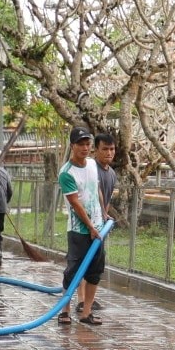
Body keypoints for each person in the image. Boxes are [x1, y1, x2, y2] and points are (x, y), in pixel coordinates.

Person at [57, 128, 106, 325]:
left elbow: (97, 189)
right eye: (81, 144)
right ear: (72, 146)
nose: (85, 148)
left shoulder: (93, 165)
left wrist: (103, 213)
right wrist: (91, 227)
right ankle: (65, 311)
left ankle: (86, 313)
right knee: (74, 271)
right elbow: (75, 204)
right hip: (79, 230)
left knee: (95, 271)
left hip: (98, 228)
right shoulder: (66, 173)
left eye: (88, 144)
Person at [92, 131, 119, 311]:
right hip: (86, 223)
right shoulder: (90, 168)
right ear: (96, 150)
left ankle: (88, 300)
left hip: (100, 225)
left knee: (96, 265)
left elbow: (106, 198)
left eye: (112, 149)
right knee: (82, 264)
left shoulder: (112, 174)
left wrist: (105, 216)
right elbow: (95, 192)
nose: (109, 153)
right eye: (105, 149)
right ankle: (80, 301)